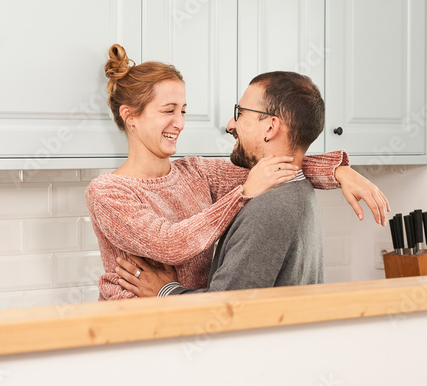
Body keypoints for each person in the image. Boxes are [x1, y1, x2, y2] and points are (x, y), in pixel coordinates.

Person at [85, 44, 389, 300]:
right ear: (130, 116)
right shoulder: (107, 192)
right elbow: (169, 244)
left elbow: (277, 164)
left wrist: (339, 171)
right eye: (168, 110)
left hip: (188, 324)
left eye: (183, 110)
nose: (180, 122)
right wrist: (242, 194)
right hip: (129, 330)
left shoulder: (197, 172)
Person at [115, 71, 340, 296]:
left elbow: (226, 306)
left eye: (240, 113)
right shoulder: (297, 188)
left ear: (270, 127)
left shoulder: (268, 208)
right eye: (168, 110)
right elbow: (170, 242)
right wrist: (338, 170)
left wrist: (165, 290)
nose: (230, 124)